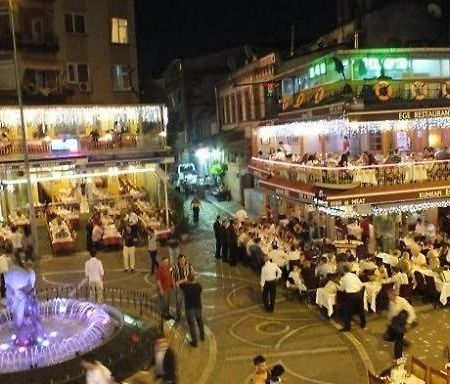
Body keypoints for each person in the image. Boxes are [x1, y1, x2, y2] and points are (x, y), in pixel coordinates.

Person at [384, 288, 416, 360]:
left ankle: (398, 357)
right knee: (389, 337)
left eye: (390, 295)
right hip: (395, 322)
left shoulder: (402, 301)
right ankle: (404, 343)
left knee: (399, 338)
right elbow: (391, 314)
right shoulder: (391, 302)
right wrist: (389, 324)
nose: (389, 297)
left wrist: (408, 323)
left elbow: (411, 312)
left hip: (403, 322)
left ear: (394, 294)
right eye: (388, 296)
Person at [180, 273, 204, 347]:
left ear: (188, 279)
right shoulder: (198, 286)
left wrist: (185, 280)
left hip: (189, 308)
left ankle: (194, 341)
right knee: (200, 322)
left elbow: (178, 283)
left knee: (192, 325)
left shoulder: (185, 287)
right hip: (198, 307)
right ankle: (202, 336)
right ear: (194, 278)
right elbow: (200, 290)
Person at [339, 264, 366, 331]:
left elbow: (341, 289)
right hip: (358, 294)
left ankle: (347, 327)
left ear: (343, 271)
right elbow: (361, 285)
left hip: (350, 295)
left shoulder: (343, 278)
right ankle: (363, 324)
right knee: (361, 311)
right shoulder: (354, 275)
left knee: (347, 312)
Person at [172, 254, 195, 321]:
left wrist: (191, 283)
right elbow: (173, 277)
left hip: (187, 286)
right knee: (179, 302)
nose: (182, 261)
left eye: (183, 259)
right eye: (180, 260)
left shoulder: (189, 266)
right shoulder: (175, 267)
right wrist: (174, 285)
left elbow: (193, 274)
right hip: (179, 287)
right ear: (178, 260)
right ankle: (178, 316)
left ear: (185, 259)